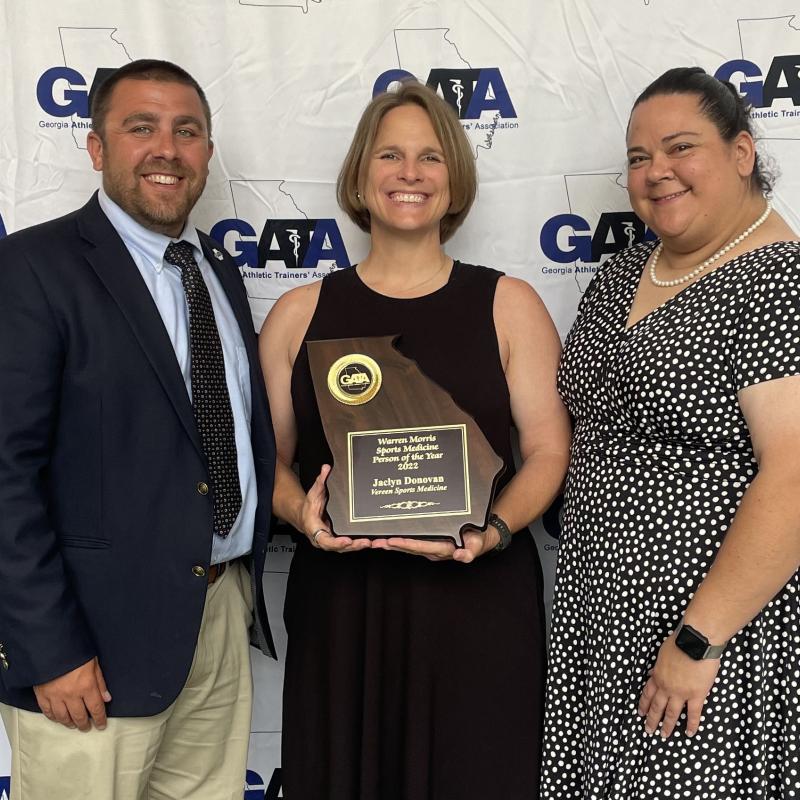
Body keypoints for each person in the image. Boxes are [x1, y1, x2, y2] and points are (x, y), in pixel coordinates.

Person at [259, 80, 571, 799]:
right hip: (343, 608)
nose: (409, 173)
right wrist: (297, 511)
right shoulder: (299, 313)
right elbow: (267, 462)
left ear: (454, 179)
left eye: (430, 157)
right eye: (390, 155)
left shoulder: (509, 303)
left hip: (477, 610)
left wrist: (492, 531)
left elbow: (551, 451)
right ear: (360, 179)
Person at [0, 59, 277, 799]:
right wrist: (48, 649)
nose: (168, 148)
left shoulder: (215, 268)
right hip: (89, 644)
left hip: (216, 616)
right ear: (95, 147)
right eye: (141, 128)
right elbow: (5, 475)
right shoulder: (31, 267)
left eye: (187, 131)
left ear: (207, 154)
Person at [541, 66, 800, 799]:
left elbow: (795, 474)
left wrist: (698, 640)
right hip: (601, 617)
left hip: (705, 632)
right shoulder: (627, 270)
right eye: (637, 158)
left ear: (742, 152)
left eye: (680, 148)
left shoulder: (778, 279)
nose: (656, 173)